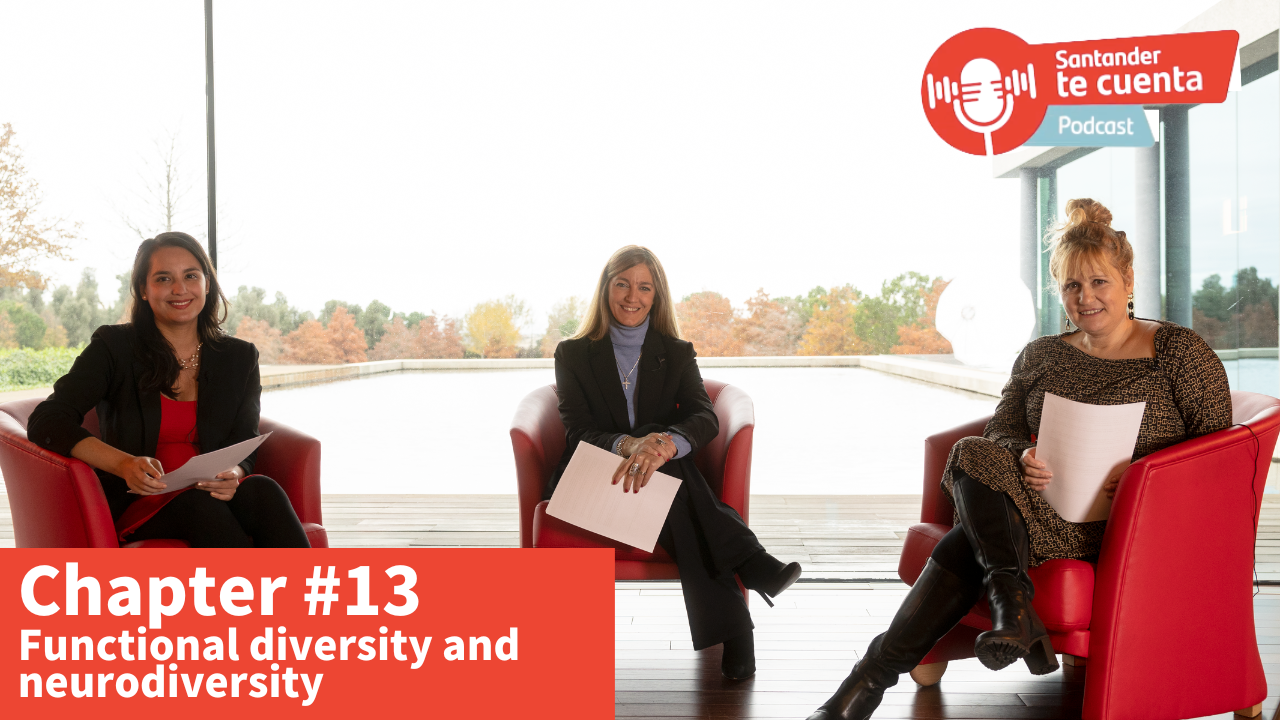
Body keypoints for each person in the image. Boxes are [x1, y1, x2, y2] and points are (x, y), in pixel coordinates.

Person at [805, 199, 1232, 720]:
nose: (1086, 297)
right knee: (973, 451)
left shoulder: (1180, 352)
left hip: (1128, 524)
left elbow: (1217, 451)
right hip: (1036, 504)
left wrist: (1148, 476)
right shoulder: (1042, 354)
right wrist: (1022, 452)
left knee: (971, 540)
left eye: (1099, 282)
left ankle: (866, 686)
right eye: (1072, 286)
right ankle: (1012, 604)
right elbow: (1001, 427)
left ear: (1127, 280)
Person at [548, 245, 802, 680]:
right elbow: (577, 430)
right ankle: (749, 573)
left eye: (644, 286)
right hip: (596, 475)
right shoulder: (572, 354)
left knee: (668, 460)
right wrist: (631, 444)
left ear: (657, 295)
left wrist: (664, 444)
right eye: (623, 283)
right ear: (606, 288)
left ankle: (743, 603)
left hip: (662, 476)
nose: (633, 295)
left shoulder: (677, 351)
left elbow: (705, 415)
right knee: (670, 467)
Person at [28, 232, 310, 548]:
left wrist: (234, 472)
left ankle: (307, 595)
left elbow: (244, 435)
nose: (180, 289)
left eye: (191, 276)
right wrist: (124, 464)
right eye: (163, 278)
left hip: (208, 492)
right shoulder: (113, 347)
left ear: (207, 284)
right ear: (143, 290)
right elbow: (47, 420)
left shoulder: (239, 356)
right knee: (201, 507)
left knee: (262, 490)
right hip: (141, 502)